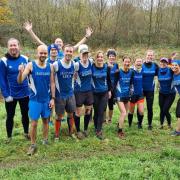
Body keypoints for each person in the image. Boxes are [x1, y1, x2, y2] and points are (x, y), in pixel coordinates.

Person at [17, 45, 55, 155]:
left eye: (44, 53)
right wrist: (20, 72)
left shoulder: (50, 66)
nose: (43, 55)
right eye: (41, 53)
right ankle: (33, 144)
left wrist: (53, 98)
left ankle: (45, 140)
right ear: (37, 53)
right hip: (35, 100)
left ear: (47, 54)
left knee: (46, 121)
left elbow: (52, 83)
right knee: (33, 123)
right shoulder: (31, 65)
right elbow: (20, 81)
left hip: (46, 100)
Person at [0, 38, 30, 142]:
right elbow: (2, 79)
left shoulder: (25, 59)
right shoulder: (4, 61)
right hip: (11, 95)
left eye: (15, 45)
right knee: (10, 116)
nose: (13, 47)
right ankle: (9, 137)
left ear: (19, 46)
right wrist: (5, 94)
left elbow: (31, 75)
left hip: (25, 93)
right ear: (8, 47)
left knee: (25, 114)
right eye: (11, 45)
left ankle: (26, 133)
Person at [23, 21, 93, 59]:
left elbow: (78, 45)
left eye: (60, 42)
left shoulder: (66, 51)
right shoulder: (50, 50)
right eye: (57, 42)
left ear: (62, 44)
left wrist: (87, 36)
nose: (58, 43)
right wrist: (30, 31)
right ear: (54, 44)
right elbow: (39, 42)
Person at [53, 44, 76, 140]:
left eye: (70, 51)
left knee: (71, 114)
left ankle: (71, 132)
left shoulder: (74, 64)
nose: (69, 53)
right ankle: (57, 135)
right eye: (67, 51)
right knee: (59, 116)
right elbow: (51, 80)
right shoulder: (56, 64)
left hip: (70, 94)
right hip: (60, 95)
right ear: (63, 51)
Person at [73, 44, 94, 139]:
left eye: (86, 54)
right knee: (78, 112)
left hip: (89, 91)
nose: (85, 56)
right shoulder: (76, 65)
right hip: (79, 91)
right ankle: (78, 131)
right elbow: (72, 75)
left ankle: (85, 129)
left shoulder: (91, 62)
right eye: (83, 54)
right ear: (80, 54)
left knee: (88, 111)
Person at [92, 51, 111, 140]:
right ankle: (96, 127)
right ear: (96, 58)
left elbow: (109, 80)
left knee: (101, 111)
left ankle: (99, 131)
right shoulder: (92, 67)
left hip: (104, 93)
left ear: (103, 58)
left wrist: (110, 91)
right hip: (95, 93)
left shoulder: (107, 68)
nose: (100, 58)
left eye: (101, 57)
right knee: (96, 111)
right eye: (98, 57)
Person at [115, 57, 134, 138]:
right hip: (119, 95)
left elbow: (131, 83)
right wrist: (113, 96)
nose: (127, 63)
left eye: (128, 62)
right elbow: (114, 83)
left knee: (124, 114)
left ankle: (119, 124)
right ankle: (120, 131)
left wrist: (131, 91)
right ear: (123, 62)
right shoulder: (118, 72)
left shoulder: (131, 72)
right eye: (125, 62)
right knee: (123, 113)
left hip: (127, 95)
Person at [142, 50, 158, 130]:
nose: (150, 57)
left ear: (153, 56)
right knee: (140, 107)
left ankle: (150, 124)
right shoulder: (141, 65)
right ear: (146, 55)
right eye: (148, 55)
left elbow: (164, 70)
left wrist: (171, 60)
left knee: (149, 107)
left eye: (151, 55)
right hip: (141, 89)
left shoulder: (155, 65)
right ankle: (139, 123)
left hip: (150, 90)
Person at [158, 57, 176, 129]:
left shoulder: (171, 70)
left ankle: (169, 124)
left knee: (165, 109)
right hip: (161, 93)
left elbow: (177, 69)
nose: (163, 63)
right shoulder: (158, 70)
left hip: (170, 94)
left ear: (167, 63)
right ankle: (161, 125)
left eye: (165, 62)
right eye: (162, 62)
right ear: (160, 63)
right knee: (161, 109)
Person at [128, 58, 144, 129]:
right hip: (132, 95)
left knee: (141, 111)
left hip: (140, 94)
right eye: (137, 61)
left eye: (140, 62)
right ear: (134, 63)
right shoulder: (131, 71)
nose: (139, 63)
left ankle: (139, 124)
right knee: (131, 111)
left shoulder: (143, 70)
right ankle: (130, 125)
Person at [104, 49, 119, 123]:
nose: (111, 57)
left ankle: (109, 119)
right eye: (110, 56)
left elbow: (118, 77)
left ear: (115, 57)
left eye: (113, 56)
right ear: (108, 57)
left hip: (113, 88)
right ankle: (104, 119)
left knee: (111, 104)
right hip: (105, 87)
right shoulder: (105, 65)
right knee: (104, 105)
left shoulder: (116, 65)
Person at [171, 60, 180, 136]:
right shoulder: (174, 75)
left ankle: (177, 131)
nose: (174, 66)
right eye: (173, 65)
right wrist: (172, 58)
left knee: (179, 113)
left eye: (176, 65)